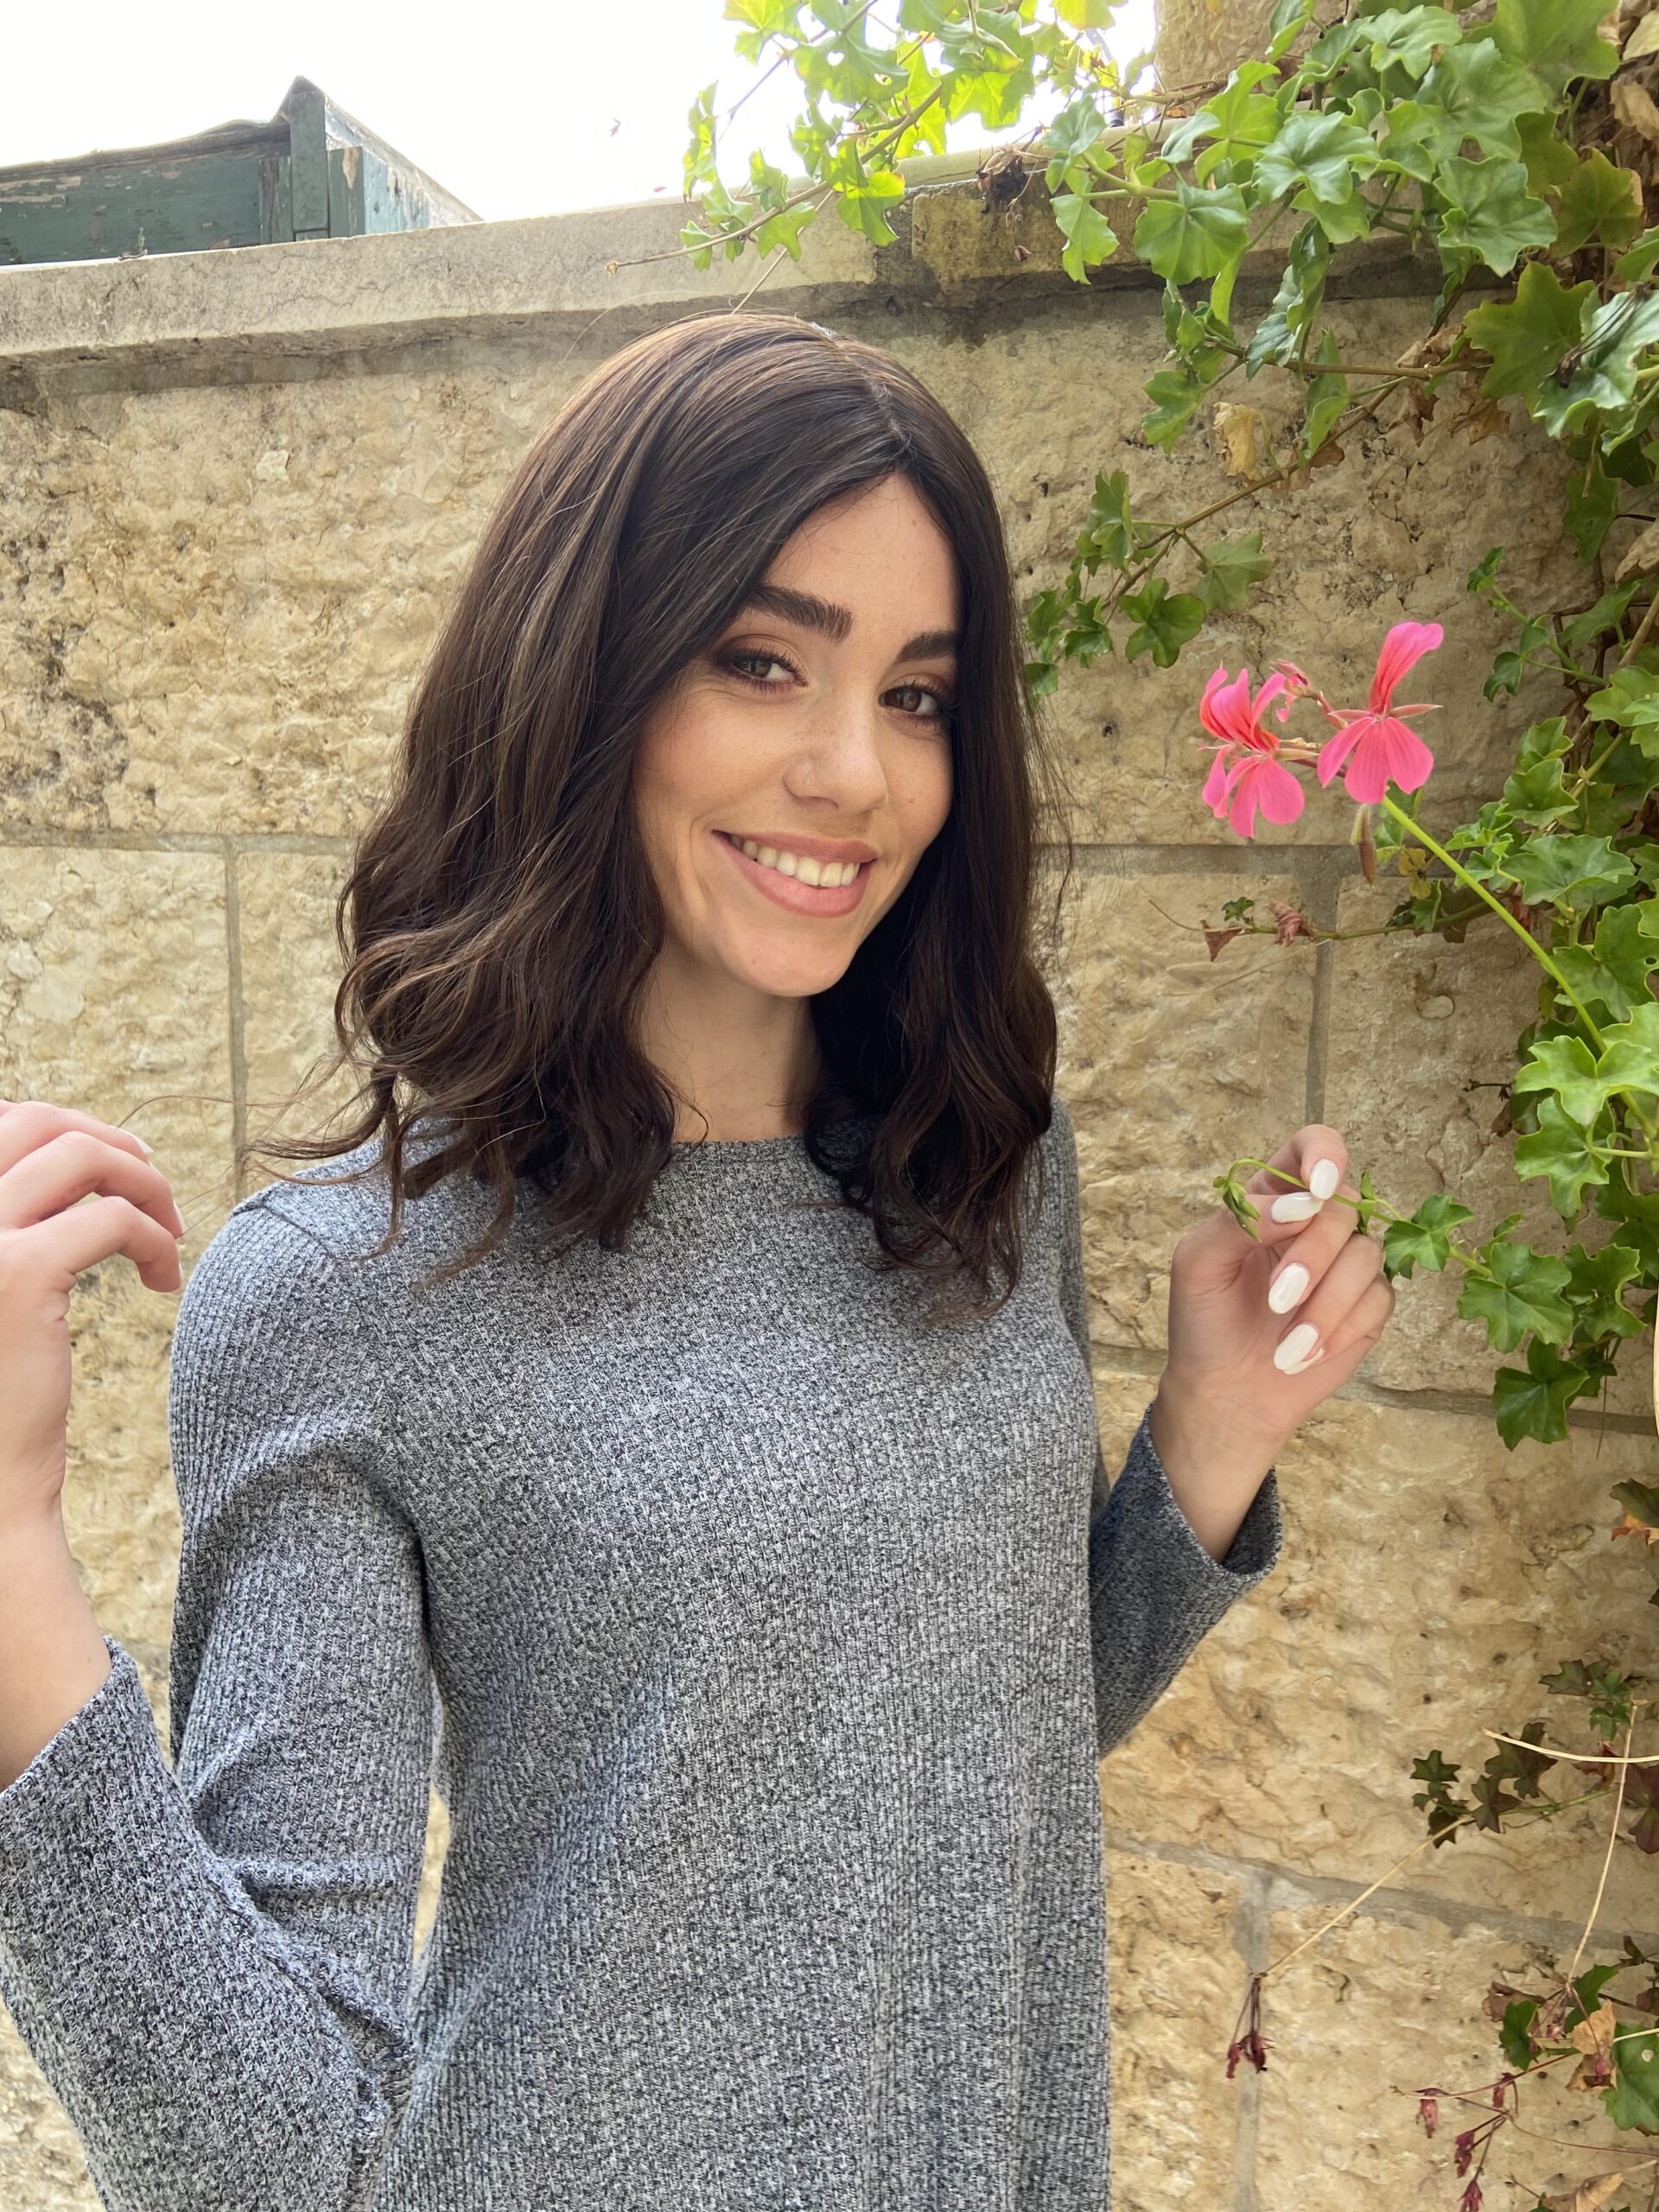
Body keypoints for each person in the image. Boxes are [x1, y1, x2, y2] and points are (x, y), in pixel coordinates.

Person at [0, 310, 1393, 2210]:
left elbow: (959, 1754)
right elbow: (270, 2165)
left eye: (919, 694)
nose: (855, 770)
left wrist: (1208, 1442)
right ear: (585, 673)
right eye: (761, 661)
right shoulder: (347, 1289)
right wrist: (10, 1554)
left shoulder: (980, 1168)